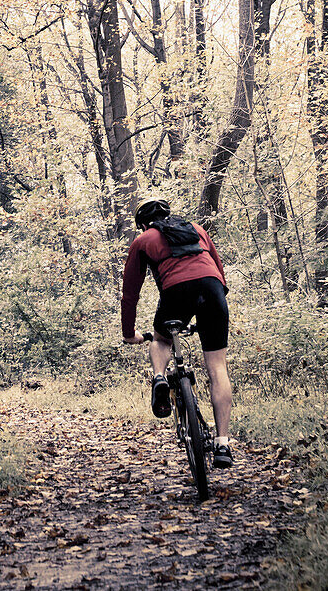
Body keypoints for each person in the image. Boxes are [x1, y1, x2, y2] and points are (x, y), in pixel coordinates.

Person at [121, 198, 234, 468]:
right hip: (213, 290)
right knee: (218, 367)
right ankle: (222, 444)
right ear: (168, 215)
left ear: (143, 224)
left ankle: (160, 377)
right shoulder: (197, 229)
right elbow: (219, 272)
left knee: (161, 339)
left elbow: (130, 295)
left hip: (176, 294)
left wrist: (129, 333)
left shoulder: (143, 240)